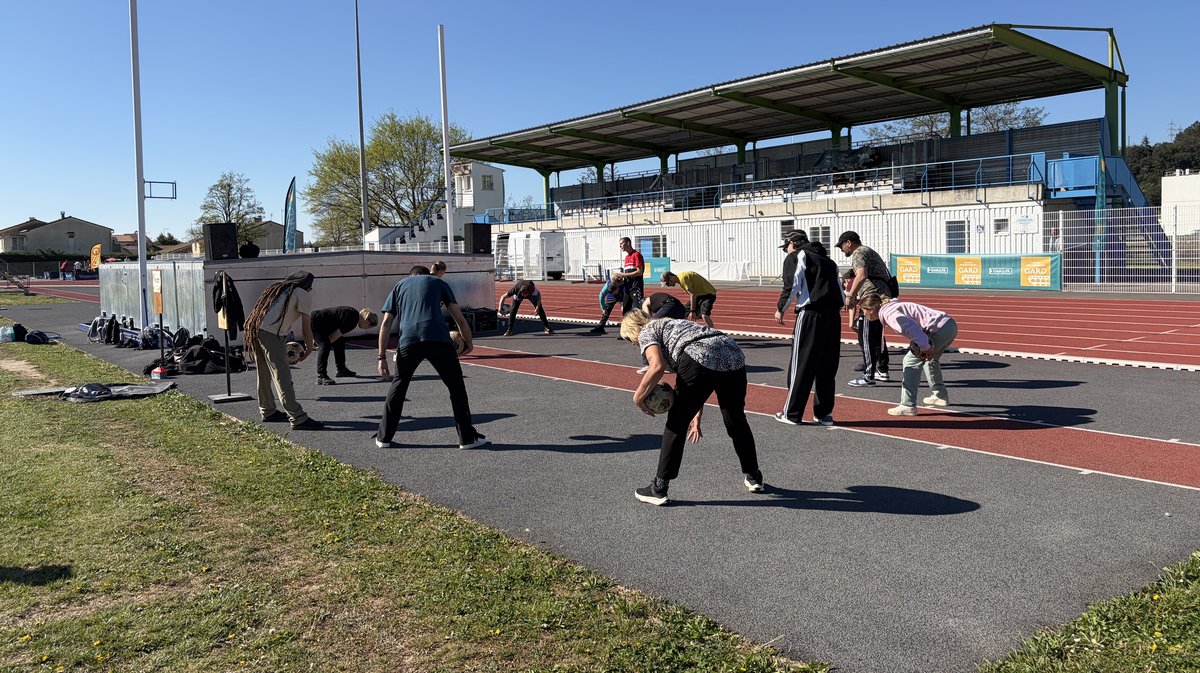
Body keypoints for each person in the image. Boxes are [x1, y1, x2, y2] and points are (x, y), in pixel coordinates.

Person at [620, 309, 763, 506]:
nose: (634, 344)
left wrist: (637, 398)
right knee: (736, 419)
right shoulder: (673, 324)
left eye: (630, 340)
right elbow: (700, 377)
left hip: (699, 355)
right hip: (732, 353)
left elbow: (657, 367)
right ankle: (754, 476)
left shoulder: (647, 331)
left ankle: (659, 488)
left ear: (632, 330)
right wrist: (696, 415)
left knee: (676, 423)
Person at [375, 265, 489, 449]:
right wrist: (469, 342)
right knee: (456, 387)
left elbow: (386, 324)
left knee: (399, 385)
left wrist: (381, 357)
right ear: (427, 274)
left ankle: (384, 437)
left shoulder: (399, 286)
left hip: (408, 341)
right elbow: (459, 318)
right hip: (438, 339)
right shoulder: (438, 282)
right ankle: (467, 438)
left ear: (411, 276)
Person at [774, 230, 844, 427]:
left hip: (811, 314)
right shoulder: (828, 261)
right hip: (833, 315)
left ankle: (791, 413)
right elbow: (840, 291)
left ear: (792, 243)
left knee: (802, 363)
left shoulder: (796, 256)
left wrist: (781, 308)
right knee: (827, 366)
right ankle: (824, 414)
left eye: (786, 247)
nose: (785, 251)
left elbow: (792, 285)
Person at [244, 271, 323, 430]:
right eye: (311, 286)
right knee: (282, 374)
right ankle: (297, 417)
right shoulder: (302, 293)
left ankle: (267, 410)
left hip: (256, 329)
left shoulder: (280, 288)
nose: (311, 289)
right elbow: (306, 328)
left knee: (264, 372)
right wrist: (308, 349)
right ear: (307, 285)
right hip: (271, 333)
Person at [858, 293, 958, 416]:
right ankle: (940, 395)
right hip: (948, 325)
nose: (863, 314)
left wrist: (925, 346)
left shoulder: (889, 314)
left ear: (871, 310)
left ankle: (908, 405)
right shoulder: (890, 306)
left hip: (936, 329)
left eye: (863, 311)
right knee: (930, 360)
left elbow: (911, 328)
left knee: (910, 361)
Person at [836, 230, 893, 387]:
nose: (841, 249)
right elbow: (859, 272)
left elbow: (861, 275)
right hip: (882, 295)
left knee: (866, 335)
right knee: (877, 335)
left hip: (872, 298)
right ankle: (882, 369)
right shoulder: (868, 251)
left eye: (842, 246)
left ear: (849, 242)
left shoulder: (858, 252)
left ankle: (868, 375)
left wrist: (850, 296)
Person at [312, 306, 379, 385]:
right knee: (325, 345)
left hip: (321, 321)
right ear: (367, 320)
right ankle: (321, 375)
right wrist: (318, 343)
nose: (366, 328)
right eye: (368, 326)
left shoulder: (353, 314)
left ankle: (341, 369)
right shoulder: (352, 320)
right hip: (317, 321)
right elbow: (333, 337)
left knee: (339, 341)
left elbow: (336, 334)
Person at [618, 236, 645, 315]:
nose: (620, 246)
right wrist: (620, 278)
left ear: (628, 243)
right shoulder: (626, 257)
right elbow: (627, 274)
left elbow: (640, 272)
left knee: (638, 310)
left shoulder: (636, 255)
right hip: (627, 288)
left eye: (621, 243)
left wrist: (623, 274)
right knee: (625, 310)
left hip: (635, 287)